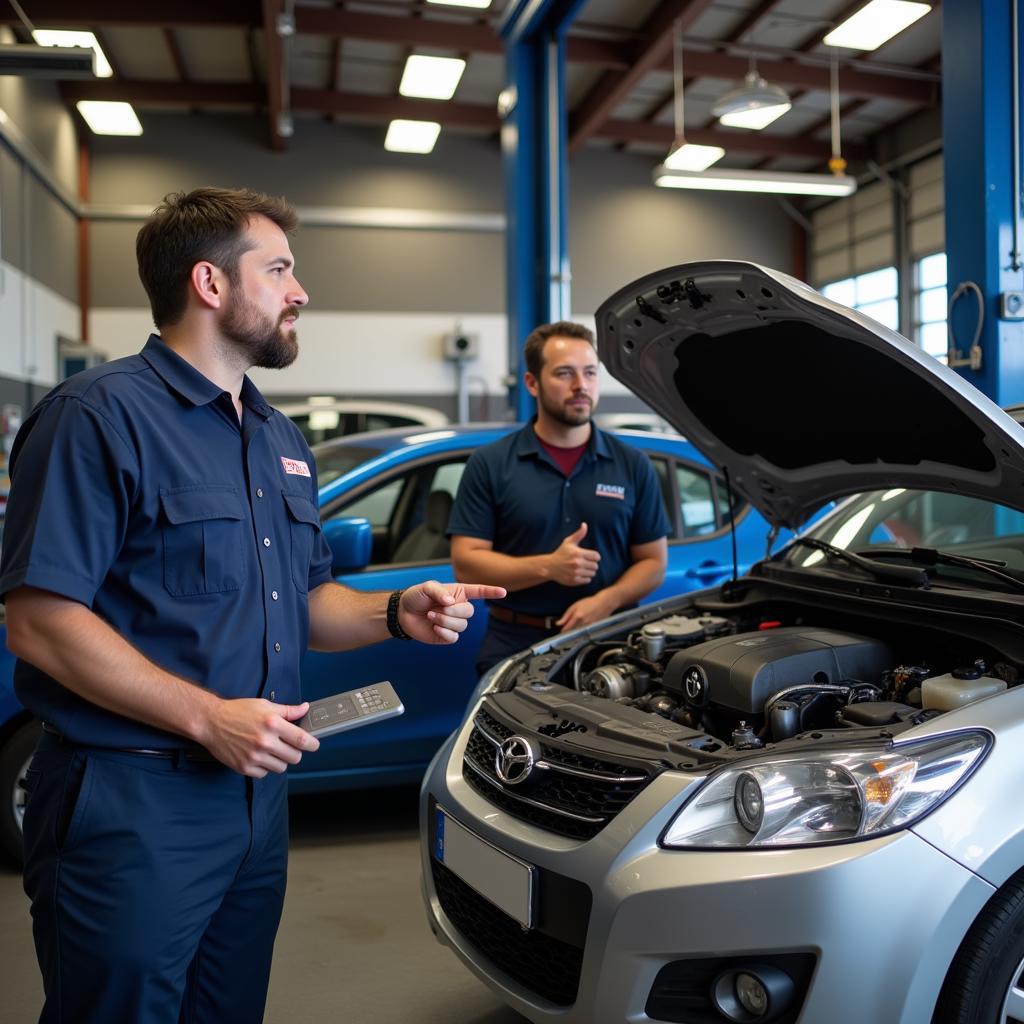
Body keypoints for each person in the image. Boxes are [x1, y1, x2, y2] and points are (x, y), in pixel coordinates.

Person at [0, 186, 504, 1024]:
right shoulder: (96, 417)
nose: (299, 292)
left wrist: (394, 613)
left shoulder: (275, 435)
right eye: (278, 271)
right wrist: (207, 718)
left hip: (254, 800)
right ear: (209, 283)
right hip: (132, 801)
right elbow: (41, 620)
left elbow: (307, 601)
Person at [448, 321, 670, 674]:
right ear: (532, 383)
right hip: (515, 641)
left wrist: (605, 601)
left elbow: (653, 561)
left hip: (609, 640)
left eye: (590, 373)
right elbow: (466, 562)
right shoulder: (490, 463)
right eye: (565, 373)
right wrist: (549, 567)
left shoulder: (632, 464)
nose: (581, 386)